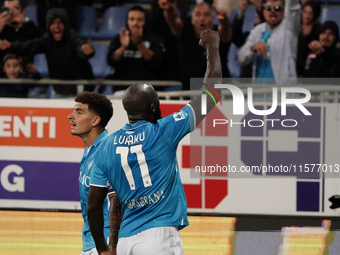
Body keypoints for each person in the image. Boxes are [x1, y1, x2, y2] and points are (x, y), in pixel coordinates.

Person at [87, 29, 222, 255]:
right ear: (153, 107)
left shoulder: (105, 146)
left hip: (125, 240)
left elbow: (94, 206)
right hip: (158, 236)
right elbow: (211, 93)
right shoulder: (164, 130)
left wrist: (103, 249)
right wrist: (213, 48)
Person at [67, 91, 122, 255]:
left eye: (79, 112)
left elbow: (117, 203)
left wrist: (109, 247)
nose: (70, 116)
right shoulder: (90, 149)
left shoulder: (107, 151)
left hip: (103, 245)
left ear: (95, 120)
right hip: (93, 243)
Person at [0, 8, 95, 98]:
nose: (56, 26)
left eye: (60, 22)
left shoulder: (72, 37)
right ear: (48, 26)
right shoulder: (47, 40)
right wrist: (10, 46)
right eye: (53, 23)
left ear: (65, 25)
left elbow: (81, 46)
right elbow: (27, 46)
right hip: (59, 90)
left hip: (81, 90)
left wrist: (87, 50)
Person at [159, 0, 232, 90]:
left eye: (207, 15)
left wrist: (224, 20)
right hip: (189, 91)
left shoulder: (218, 33)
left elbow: (225, 30)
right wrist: (169, 8)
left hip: (220, 94)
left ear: (213, 19)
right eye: (198, 15)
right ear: (192, 19)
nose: (202, 18)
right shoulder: (184, 31)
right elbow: (172, 20)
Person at [237, 0, 300, 83]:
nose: (273, 11)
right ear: (264, 12)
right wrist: (252, 48)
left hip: (284, 92)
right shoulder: (257, 31)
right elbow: (241, 59)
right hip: (260, 93)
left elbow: (292, 8)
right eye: (269, 8)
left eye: (277, 8)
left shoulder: (289, 28)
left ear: (284, 12)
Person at [106, 5, 165, 92]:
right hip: (122, 90)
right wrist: (123, 47)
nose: (135, 23)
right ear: (127, 21)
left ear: (146, 21)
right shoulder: (119, 39)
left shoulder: (155, 40)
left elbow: (156, 62)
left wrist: (139, 44)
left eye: (139, 20)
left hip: (148, 91)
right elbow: (111, 61)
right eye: (131, 19)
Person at [0, 0, 43, 65]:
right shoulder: (2, 29)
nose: (11, 12)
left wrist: (25, 21)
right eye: (7, 9)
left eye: (15, 8)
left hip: (27, 71)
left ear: (23, 11)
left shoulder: (30, 27)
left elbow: (46, 42)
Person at [297, 0, 322, 77]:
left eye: (310, 13)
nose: (307, 16)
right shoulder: (295, 25)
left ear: (315, 15)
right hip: (294, 63)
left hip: (309, 66)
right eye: (305, 12)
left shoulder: (319, 30)